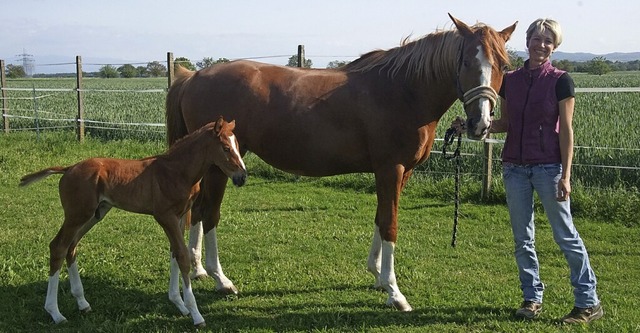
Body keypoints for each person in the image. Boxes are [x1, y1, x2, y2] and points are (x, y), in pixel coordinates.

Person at [488, 18, 603, 324]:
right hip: (514, 168)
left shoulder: (561, 80)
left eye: (548, 40)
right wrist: (478, 125)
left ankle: (588, 302)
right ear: (527, 41)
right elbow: (506, 123)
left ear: (555, 46)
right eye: (536, 38)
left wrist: (565, 175)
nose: (541, 45)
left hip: (549, 168)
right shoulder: (509, 81)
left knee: (566, 236)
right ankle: (531, 298)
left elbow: (566, 131)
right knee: (522, 239)